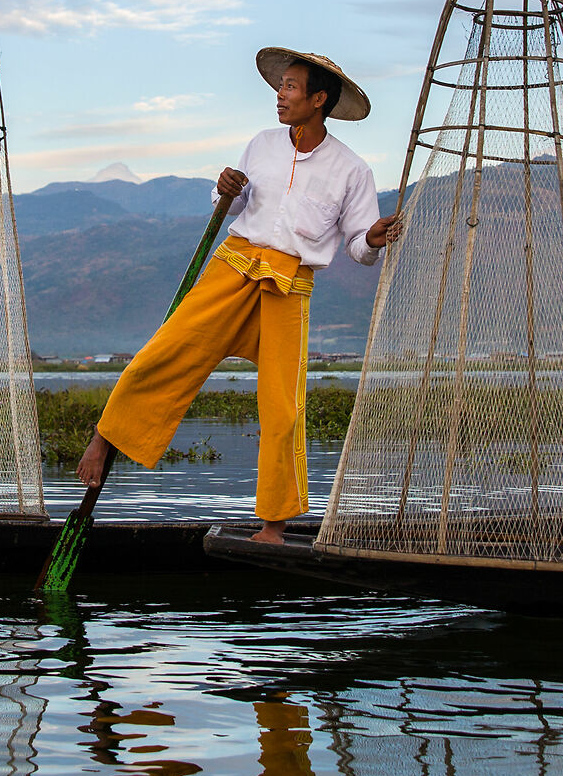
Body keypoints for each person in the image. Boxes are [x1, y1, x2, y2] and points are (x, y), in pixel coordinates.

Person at [74, 49, 400, 542]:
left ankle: (273, 523)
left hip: (289, 285)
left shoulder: (352, 170)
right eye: (281, 85)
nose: (280, 95)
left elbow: (356, 244)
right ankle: (105, 437)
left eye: (291, 87)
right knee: (165, 352)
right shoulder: (262, 144)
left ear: (318, 100)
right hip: (234, 266)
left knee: (282, 407)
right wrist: (225, 188)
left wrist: (372, 238)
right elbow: (233, 205)